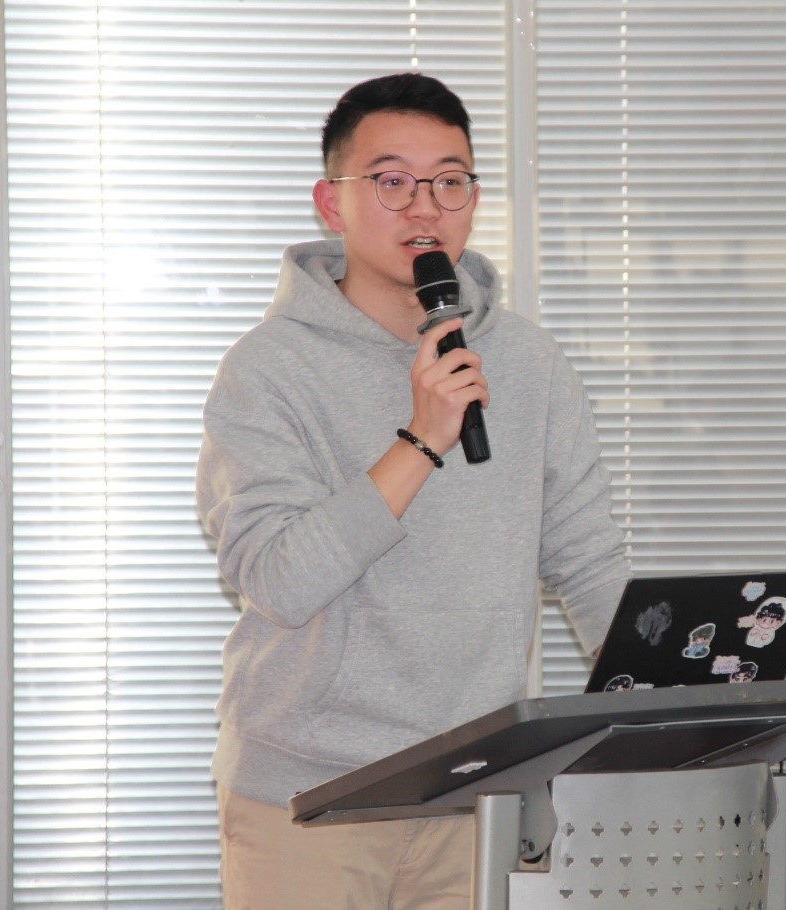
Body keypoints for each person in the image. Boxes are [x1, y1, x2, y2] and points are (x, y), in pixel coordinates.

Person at [195, 72, 630, 909]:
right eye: (392, 181)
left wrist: (670, 695)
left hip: (482, 787)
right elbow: (278, 581)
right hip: (309, 796)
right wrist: (422, 439)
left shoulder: (528, 362)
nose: (425, 207)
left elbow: (585, 560)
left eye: (449, 181)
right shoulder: (267, 370)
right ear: (332, 202)